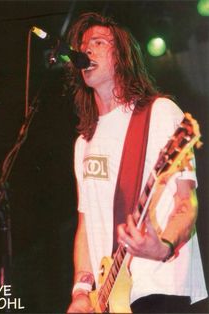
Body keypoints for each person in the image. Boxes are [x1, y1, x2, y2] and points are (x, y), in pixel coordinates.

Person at [66, 12, 208, 313]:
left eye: (99, 42)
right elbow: (86, 224)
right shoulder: (84, 143)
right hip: (109, 299)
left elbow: (187, 201)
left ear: (123, 57)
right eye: (83, 44)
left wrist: (163, 245)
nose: (86, 50)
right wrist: (81, 290)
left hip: (160, 286)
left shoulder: (160, 113)